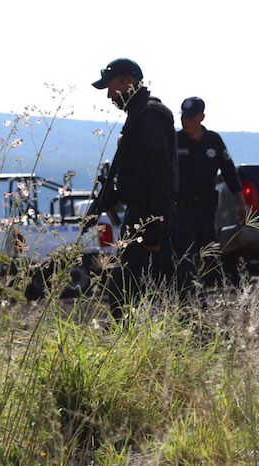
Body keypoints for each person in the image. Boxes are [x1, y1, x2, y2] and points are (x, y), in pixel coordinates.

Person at [92, 58, 178, 320]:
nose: (108, 95)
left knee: (124, 287)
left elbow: (160, 171)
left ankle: (128, 343)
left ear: (128, 81)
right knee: (145, 287)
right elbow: (141, 172)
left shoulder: (148, 115)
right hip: (144, 212)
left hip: (149, 215)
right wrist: (116, 194)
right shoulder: (140, 115)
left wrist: (152, 225)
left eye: (111, 87)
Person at [174, 97, 248, 300]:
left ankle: (212, 295)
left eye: (190, 117)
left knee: (210, 254)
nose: (185, 121)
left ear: (201, 117)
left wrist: (241, 203)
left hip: (207, 211)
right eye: (183, 116)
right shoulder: (175, 140)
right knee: (187, 254)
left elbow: (230, 173)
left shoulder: (213, 141)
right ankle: (191, 300)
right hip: (182, 210)